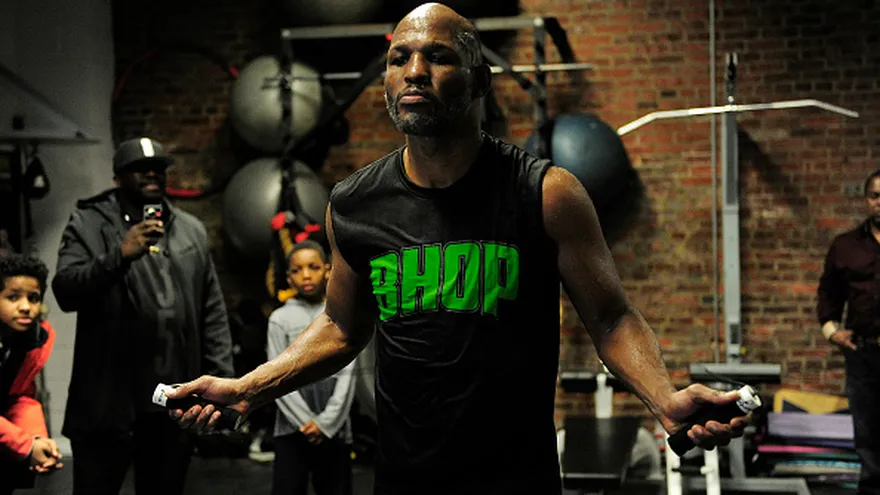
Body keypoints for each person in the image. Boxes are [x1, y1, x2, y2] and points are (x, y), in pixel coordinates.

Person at [167, 4, 749, 494]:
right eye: (399, 59)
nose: (414, 71)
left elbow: (611, 317)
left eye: (438, 56)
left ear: (478, 80)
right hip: (402, 479)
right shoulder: (353, 204)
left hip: (516, 479)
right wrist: (247, 390)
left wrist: (663, 398)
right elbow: (342, 327)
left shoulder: (545, 193)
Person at [52, 137, 235, 495]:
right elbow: (65, 290)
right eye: (139, 169)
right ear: (118, 178)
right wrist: (120, 254)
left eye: (159, 168)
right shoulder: (89, 223)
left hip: (171, 404)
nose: (152, 174)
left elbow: (212, 311)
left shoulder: (189, 230)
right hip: (107, 406)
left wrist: (222, 381)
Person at [269, 240, 355, 495]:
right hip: (292, 429)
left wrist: (327, 423)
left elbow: (349, 373)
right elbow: (275, 376)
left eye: (313, 267)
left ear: (328, 270)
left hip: (335, 429)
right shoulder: (279, 319)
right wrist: (306, 422)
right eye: (297, 270)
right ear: (288, 277)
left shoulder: (342, 313)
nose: (306, 275)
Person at [817, 169, 880, 494]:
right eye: (875, 196)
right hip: (865, 353)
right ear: (866, 200)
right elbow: (828, 293)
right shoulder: (845, 246)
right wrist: (832, 331)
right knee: (868, 433)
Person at [0, 253, 63, 494]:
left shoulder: (32, 338)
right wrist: (25, 445)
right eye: (13, 297)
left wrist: (37, 438)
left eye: (33, 298)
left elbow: (21, 396)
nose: (26, 307)